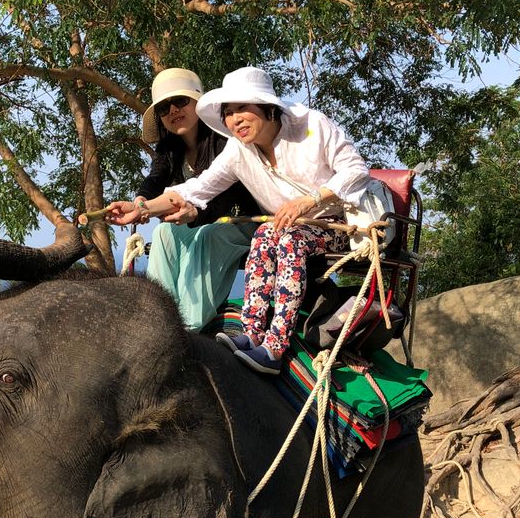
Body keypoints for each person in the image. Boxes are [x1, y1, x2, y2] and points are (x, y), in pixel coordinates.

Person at [128, 66, 379, 375]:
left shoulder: (312, 126)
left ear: (266, 106)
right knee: (263, 235)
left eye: (242, 107)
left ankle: (274, 348)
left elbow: (356, 170)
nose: (235, 119)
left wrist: (311, 200)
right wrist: (142, 208)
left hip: (336, 224)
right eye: (228, 113)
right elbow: (197, 188)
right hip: (283, 226)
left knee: (289, 240)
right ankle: (250, 333)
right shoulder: (238, 149)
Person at [105, 68, 260, 330]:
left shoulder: (224, 141)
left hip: (242, 224)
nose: (173, 110)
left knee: (208, 234)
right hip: (201, 223)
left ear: (198, 101)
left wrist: (194, 214)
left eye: (180, 101)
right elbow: (154, 180)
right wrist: (139, 204)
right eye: (164, 108)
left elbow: (224, 198)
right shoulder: (169, 149)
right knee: (164, 231)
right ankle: (157, 318)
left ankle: (188, 326)